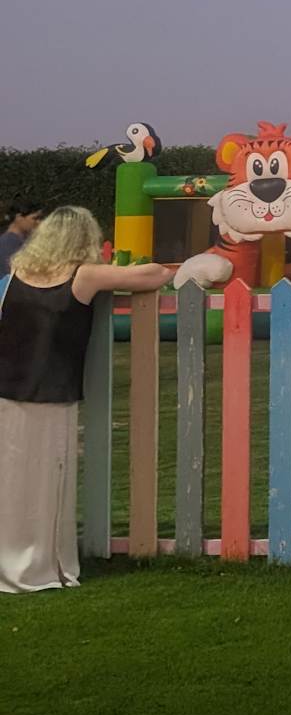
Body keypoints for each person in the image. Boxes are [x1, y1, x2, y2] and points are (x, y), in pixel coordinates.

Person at [0, 207, 172, 594]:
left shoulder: (17, 274)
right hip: (50, 392)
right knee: (47, 484)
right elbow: (156, 274)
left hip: (6, 389)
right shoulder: (85, 274)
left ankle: (9, 557)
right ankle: (36, 564)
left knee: (10, 482)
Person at [0, 206, 44, 277]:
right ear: (18, 217)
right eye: (35, 218)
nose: (39, 222)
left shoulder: (27, 240)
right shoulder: (8, 242)